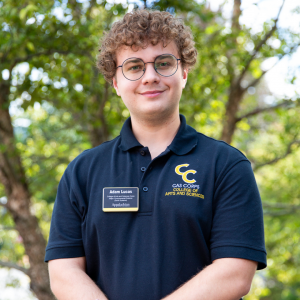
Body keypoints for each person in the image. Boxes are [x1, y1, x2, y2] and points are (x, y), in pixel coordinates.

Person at [45, 9, 266, 300]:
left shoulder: (226, 165)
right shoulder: (83, 171)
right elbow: (63, 272)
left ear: (184, 73)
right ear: (115, 82)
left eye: (163, 63)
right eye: (134, 67)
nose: (150, 77)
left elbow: (235, 272)